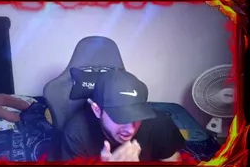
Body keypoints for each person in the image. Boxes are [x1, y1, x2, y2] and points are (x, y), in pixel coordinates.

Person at [57, 69, 185, 162]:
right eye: (120, 117)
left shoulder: (160, 123)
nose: (130, 129)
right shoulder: (76, 134)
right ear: (97, 110)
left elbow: (174, 163)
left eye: (137, 116)